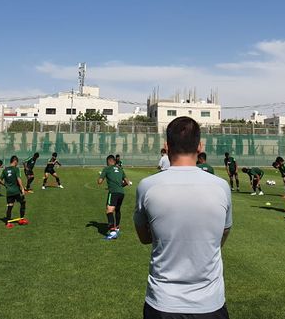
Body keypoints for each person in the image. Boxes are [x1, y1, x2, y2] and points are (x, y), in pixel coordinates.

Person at [134, 117, 232, 319]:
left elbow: (144, 238)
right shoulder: (221, 186)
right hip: (210, 304)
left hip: (163, 303)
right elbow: (222, 235)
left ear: (166, 146)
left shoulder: (147, 186)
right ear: (200, 146)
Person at [97, 154, 131, 240]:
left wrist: (100, 176)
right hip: (121, 193)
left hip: (113, 192)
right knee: (117, 210)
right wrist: (119, 186)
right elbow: (127, 182)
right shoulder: (120, 169)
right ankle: (117, 227)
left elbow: (99, 182)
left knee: (109, 210)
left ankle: (112, 232)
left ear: (108, 161)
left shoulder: (107, 169)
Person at [0, 155, 29, 228]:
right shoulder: (16, 169)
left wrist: (6, 185)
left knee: (10, 206)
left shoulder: (5, 170)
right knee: (23, 202)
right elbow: (18, 179)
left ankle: (8, 223)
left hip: (9, 192)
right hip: (16, 191)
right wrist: (22, 188)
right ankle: (22, 219)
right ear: (15, 161)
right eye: (17, 162)